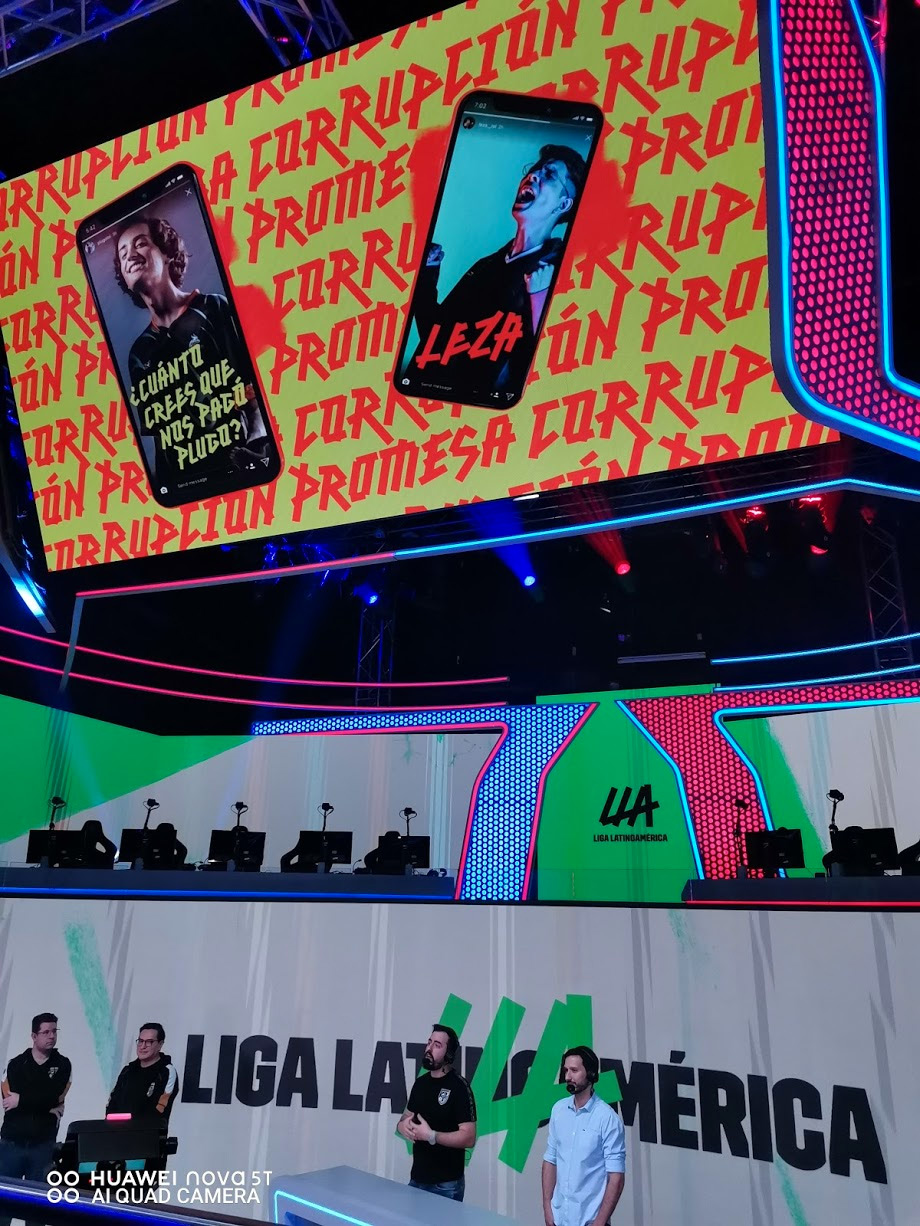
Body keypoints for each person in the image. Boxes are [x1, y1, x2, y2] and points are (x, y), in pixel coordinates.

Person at [407, 143, 587, 400]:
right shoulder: (487, 265)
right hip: (420, 396)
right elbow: (435, 338)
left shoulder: (557, 275)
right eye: (535, 169)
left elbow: (542, 371)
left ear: (563, 204)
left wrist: (539, 297)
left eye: (549, 174)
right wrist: (428, 271)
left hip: (474, 412)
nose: (533, 175)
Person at [113, 215, 269, 486]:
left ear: (167, 253)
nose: (131, 256)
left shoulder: (214, 308)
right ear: (125, 280)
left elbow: (251, 392)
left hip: (236, 470)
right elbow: (161, 439)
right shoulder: (139, 352)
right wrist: (166, 489)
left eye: (140, 244)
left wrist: (257, 447)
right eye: (123, 253)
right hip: (185, 484)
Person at [0, 1013, 71, 1226]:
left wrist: (22, 1099)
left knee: (37, 1210)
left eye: (54, 1031)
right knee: (4, 1207)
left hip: (43, 1146)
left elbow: (54, 1096)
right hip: (11, 1144)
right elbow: (8, 1101)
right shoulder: (15, 1064)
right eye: (45, 1032)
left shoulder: (63, 1065)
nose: (51, 1036)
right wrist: (44, 1104)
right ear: (33, 1036)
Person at [542, 1046, 625, 1226]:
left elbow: (616, 1177)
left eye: (574, 1070)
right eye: (566, 1070)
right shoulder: (559, 1110)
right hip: (558, 1219)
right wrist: (547, 1208)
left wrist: (600, 1222)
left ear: (591, 1074)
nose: (568, 1076)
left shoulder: (607, 1118)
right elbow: (550, 1159)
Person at [396, 1024, 476, 1202]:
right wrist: (403, 1126)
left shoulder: (459, 1087)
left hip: (446, 1186)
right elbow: (405, 1118)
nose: (429, 1049)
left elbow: (469, 1137)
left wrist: (432, 1136)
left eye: (437, 1045)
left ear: (449, 1055)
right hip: (417, 1180)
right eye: (429, 1042)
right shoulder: (420, 1084)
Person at [107, 1023, 179, 1123]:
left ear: (160, 1044)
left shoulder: (166, 1072)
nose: (143, 1046)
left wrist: (134, 1125)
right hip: (118, 1131)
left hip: (149, 1132)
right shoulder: (127, 1071)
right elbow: (112, 1104)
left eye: (149, 1042)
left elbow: (160, 1109)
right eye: (140, 1041)